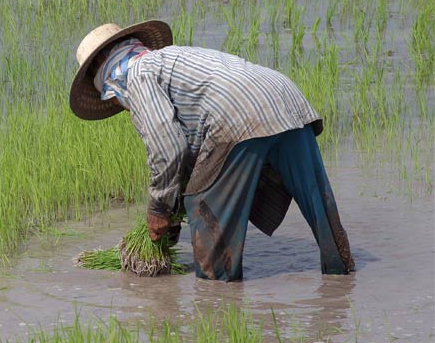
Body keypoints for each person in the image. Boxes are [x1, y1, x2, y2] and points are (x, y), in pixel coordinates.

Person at [69, 20, 355, 281]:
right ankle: (342, 277)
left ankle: (217, 300)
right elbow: (193, 150)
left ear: (106, 78)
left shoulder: (137, 75)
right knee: (317, 200)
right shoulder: (172, 59)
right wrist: (172, 211)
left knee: (203, 206)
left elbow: (168, 150)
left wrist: (158, 209)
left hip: (238, 113)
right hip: (285, 95)